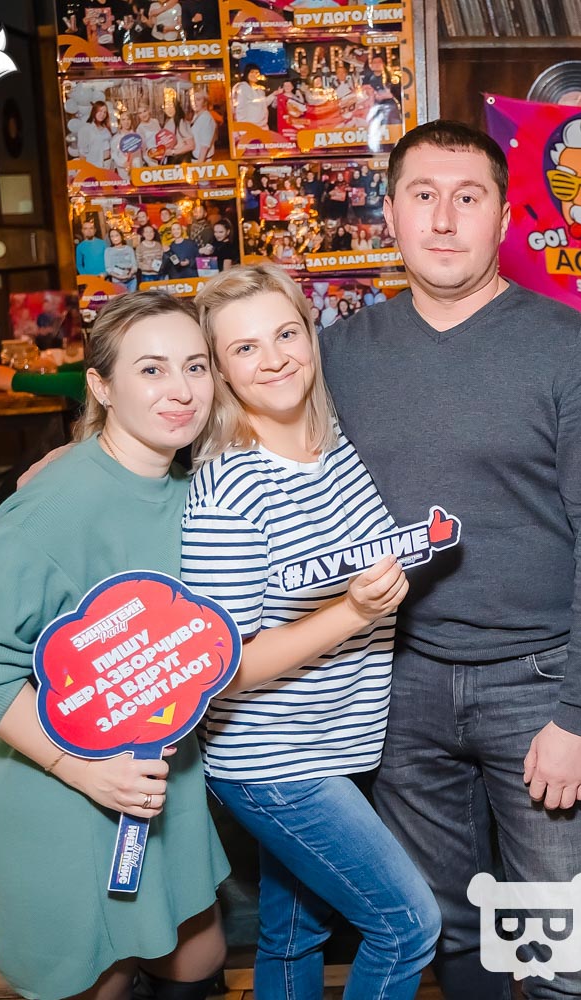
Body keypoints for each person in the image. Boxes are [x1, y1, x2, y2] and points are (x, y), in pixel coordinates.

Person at [320, 120, 581, 1000]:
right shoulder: (337, 354)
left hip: (539, 686)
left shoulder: (571, 350)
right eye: (422, 195)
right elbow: (240, 443)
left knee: (555, 958)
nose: (444, 218)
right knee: (448, 935)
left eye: (469, 197)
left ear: (502, 218)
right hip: (397, 682)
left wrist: (580, 715)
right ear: (389, 214)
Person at [0, 292, 229, 1000]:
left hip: (162, 789)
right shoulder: (55, 504)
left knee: (198, 958)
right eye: (151, 370)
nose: (182, 390)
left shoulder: (196, 485)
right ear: (101, 386)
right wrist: (82, 770)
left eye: (195, 366)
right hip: (64, 797)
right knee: (102, 977)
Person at [182, 264, 440, 999]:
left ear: (311, 335)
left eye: (286, 334)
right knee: (407, 926)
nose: (274, 359)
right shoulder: (229, 490)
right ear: (221, 371)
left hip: (332, 741)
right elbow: (221, 668)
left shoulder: (335, 448)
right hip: (272, 762)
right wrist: (353, 613)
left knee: (294, 933)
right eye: (245, 348)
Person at [105, 226, 138, 291]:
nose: (115, 238)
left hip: (131, 281)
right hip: (118, 282)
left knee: (132, 297)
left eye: (117, 235)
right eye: (112, 236)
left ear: (121, 236)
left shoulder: (129, 249)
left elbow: (134, 265)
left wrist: (130, 274)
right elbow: (108, 269)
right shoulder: (108, 251)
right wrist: (120, 277)